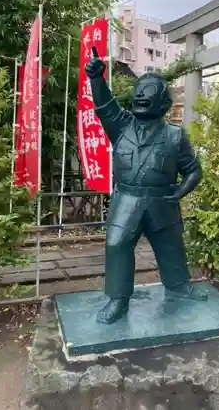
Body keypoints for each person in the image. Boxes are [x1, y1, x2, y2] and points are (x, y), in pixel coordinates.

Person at [85, 47, 206, 324]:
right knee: (116, 245)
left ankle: (178, 286)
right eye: (139, 92)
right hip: (126, 200)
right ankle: (118, 299)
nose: (141, 96)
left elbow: (193, 170)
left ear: (163, 104)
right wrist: (96, 78)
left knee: (170, 244)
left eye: (148, 93)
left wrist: (179, 192)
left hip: (162, 201)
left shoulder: (175, 136)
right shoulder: (120, 127)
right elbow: (104, 106)